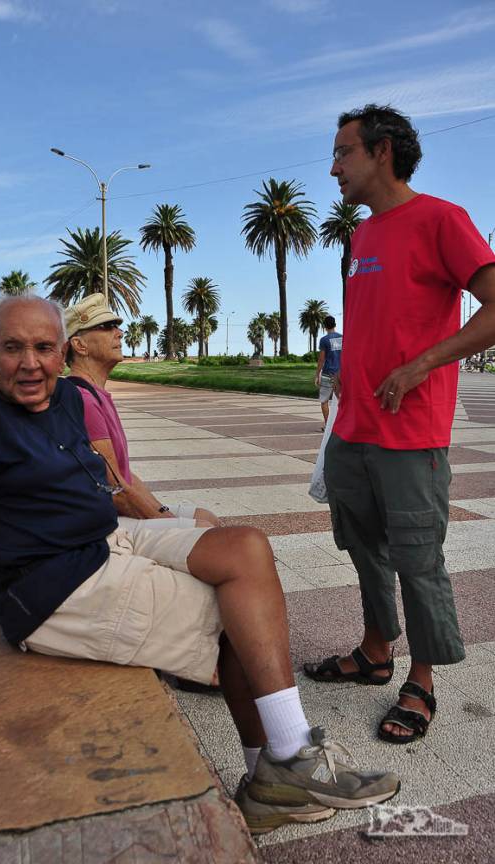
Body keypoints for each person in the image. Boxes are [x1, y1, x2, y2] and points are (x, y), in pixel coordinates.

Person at [0, 295, 399, 834]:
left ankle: (274, 774)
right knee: (233, 611)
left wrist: (162, 517)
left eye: (43, 348)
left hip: (107, 538)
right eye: (12, 348)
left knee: (244, 548)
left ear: (62, 352)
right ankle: (285, 760)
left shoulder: (65, 399)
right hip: (54, 582)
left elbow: (107, 483)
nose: (30, 363)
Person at [303, 105, 495, 745]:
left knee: (418, 559)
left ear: (381, 151)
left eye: (343, 153)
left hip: (411, 434)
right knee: (364, 548)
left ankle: (423, 680)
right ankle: (375, 651)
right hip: (352, 428)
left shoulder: (442, 219)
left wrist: (423, 364)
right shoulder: (361, 235)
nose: (334, 168)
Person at [64, 293, 218, 530]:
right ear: (79, 345)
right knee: (211, 533)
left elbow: (125, 475)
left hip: (117, 509)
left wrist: (163, 512)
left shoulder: (95, 394)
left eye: (116, 326)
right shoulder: (83, 400)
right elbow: (116, 490)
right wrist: (171, 526)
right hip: (105, 520)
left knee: (206, 517)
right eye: (106, 327)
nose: (119, 333)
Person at [314, 315, 342, 429]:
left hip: (327, 373)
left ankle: (328, 426)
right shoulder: (342, 338)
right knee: (341, 400)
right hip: (341, 374)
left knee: (324, 400)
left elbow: (321, 359)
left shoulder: (324, 340)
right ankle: (341, 425)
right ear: (335, 324)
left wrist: (317, 374)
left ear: (324, 326)